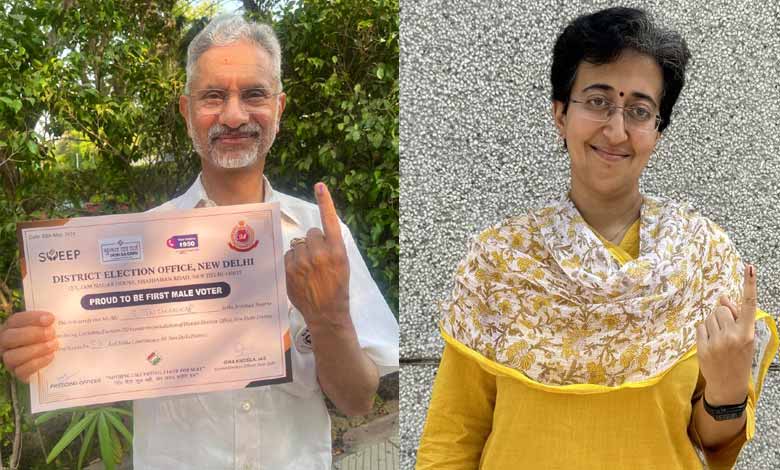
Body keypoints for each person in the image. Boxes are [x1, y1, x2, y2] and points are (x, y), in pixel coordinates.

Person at [0, 15, 399, 470]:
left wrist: (328, 318)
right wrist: (39, 349)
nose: (233, 115)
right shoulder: (133, 244)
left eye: (253, 94)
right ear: (187, 111)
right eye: (213, 96)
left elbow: (358, 402)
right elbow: (80, 354)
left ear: (279, 108)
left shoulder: (322, 240)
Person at [416, 7, 777, 470]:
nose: (616, 130)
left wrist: (726, 390)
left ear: (657, 133)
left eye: (640, 111)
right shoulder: (500, 263)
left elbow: (714, 445)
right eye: (598, 101)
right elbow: (452, 438)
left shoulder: (701, 260)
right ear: (560, 114)